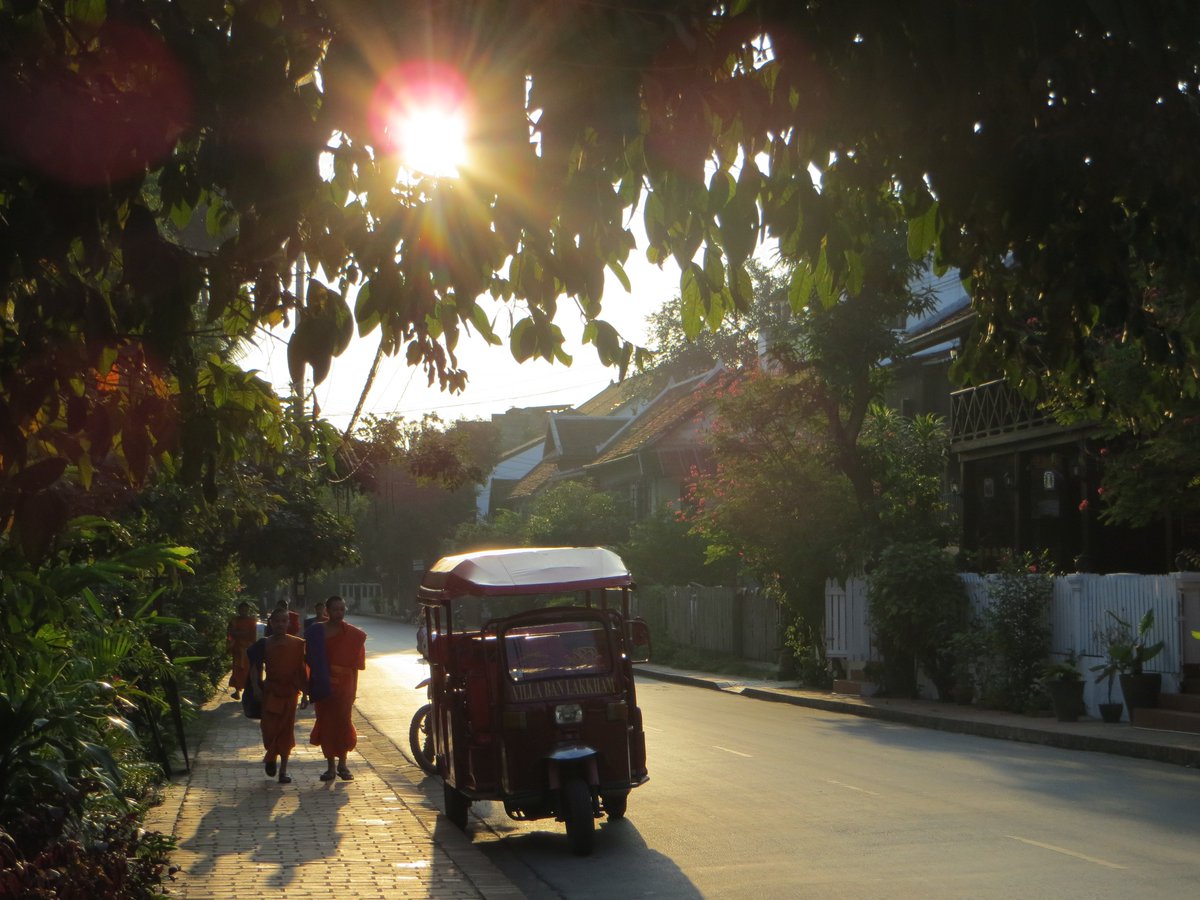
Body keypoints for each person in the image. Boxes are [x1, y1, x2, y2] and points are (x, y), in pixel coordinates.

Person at [305, 595, 366, 781]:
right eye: (335, 609)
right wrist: (308, 687)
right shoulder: (317, 632)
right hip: (324, 685)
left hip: (345, 686)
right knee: (326, 723)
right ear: (327, 611)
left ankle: (343, 764)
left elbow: (356, 667)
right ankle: (330, 766)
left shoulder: (353, 635)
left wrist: (354, 691)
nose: (338, 613)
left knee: (343, 722)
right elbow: (309, 661)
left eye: (342, 609)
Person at [248, 607, 308, 784]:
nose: (280, 624)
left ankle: (283, 771)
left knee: (286, 731)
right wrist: (256, 688)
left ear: (289, 623)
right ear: (271, 623)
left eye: (284, 621)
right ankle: (271, 756)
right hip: (271, 691)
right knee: (268, 729)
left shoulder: (298, 644)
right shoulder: (264, 644)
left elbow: (301, 670)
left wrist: (305, 693)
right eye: (277, 621)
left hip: (290, 692)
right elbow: (254, 668)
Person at [225, 602, 258, 700]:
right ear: (239, 610)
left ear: (248, 610)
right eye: (242, 609)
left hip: (248, 649)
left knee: (249, 670)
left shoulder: (252, 621)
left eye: (246, 609)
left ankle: (249, 691)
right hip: (238, 649)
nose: (244, 611)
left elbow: (255, 634)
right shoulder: (234, 621)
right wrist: (240, 634)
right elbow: (231, 633)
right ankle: (237, 691)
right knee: (237, 670)